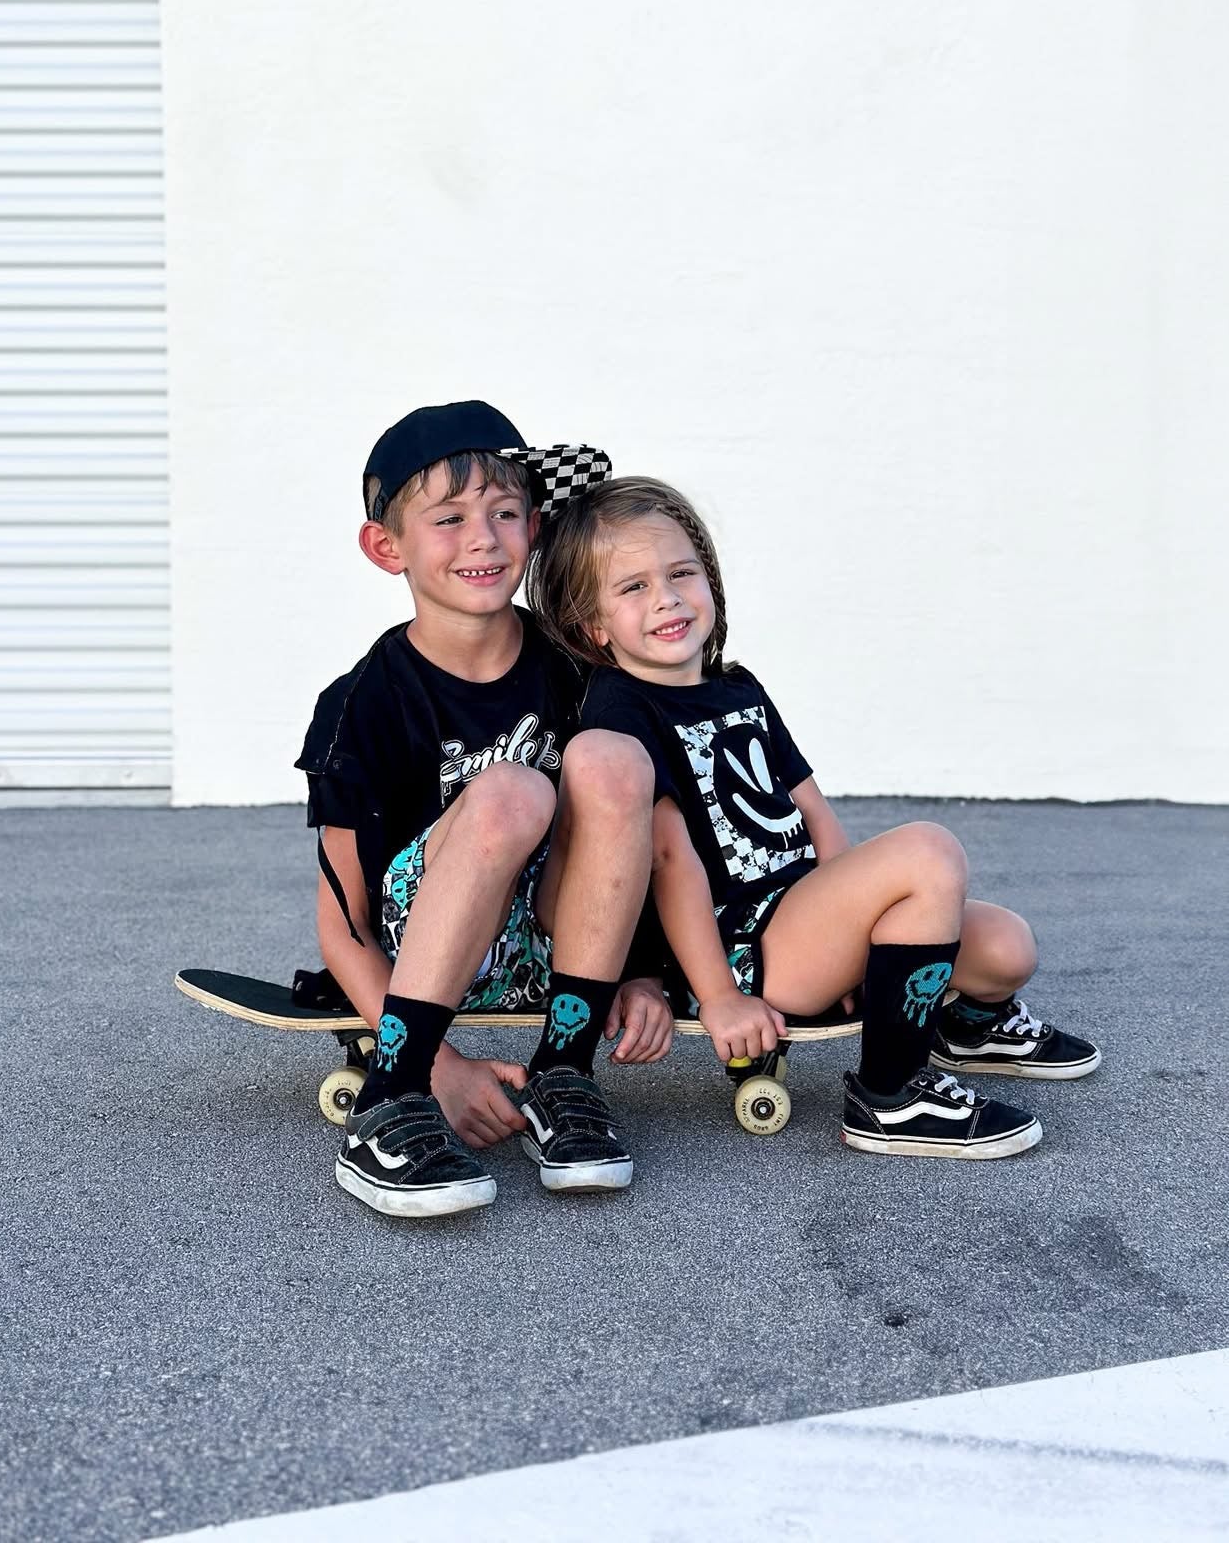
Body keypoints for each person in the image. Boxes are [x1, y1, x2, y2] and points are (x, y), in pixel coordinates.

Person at [528, 475, 1100, 1160]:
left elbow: (814, 812)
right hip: (747, 946)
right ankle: (892, 1096)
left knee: (1008, 948)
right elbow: (671, 862)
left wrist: (857, 931)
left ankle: (965, 1029)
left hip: (804, 913)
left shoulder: (738, 687)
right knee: (928, 851)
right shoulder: (623, 708)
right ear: (594, 627)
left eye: (681, 573)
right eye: (634, 587)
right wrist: (719, 997)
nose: (667, 598)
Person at [295, 402, 673, 1219]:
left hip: (558, 944)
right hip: (424, 953)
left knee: (613, 759)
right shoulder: (362, 703)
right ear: (386, 547)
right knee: (511, 790)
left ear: (534, 528)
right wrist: (442, 1068)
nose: (484, 539)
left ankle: (564, 1073)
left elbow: (638, 831)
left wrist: (645, 970)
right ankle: (389, 1099)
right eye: (450, 519)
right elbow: (343, 926)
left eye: (505, 513)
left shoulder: (578, 671)